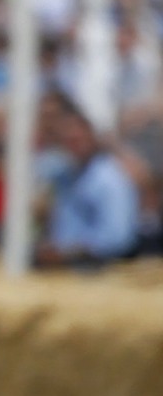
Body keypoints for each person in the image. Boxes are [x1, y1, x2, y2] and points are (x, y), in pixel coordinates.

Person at [36, 94, 139, 267]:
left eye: (77, 140)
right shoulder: (62, 174)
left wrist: (69, 252)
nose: (73, 145)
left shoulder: (110, 179)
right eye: (68, 141)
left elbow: (117, 239)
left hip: (97, 270)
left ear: (91, 136)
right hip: (63, 271)